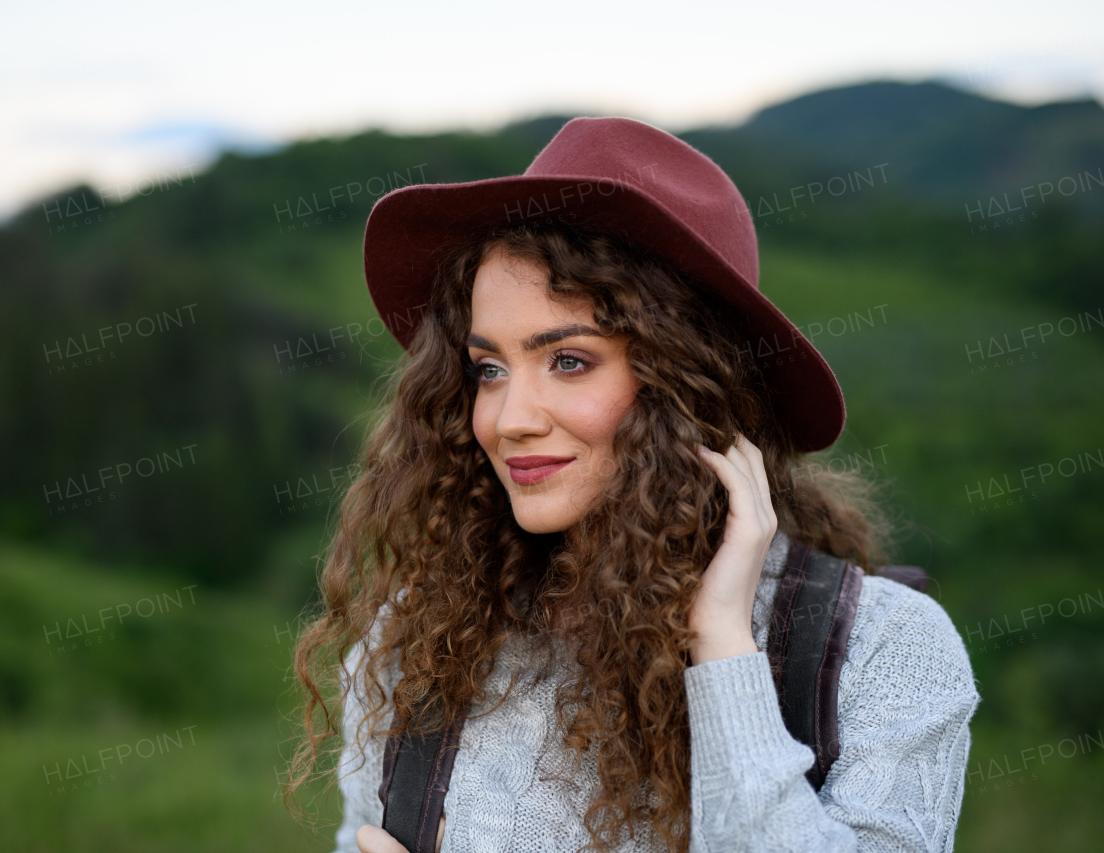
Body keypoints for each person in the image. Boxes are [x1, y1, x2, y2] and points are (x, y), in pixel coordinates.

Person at [286, 117, 980, 853]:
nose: (509, 419)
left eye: (569, 361)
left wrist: (722, 645)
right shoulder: (415, 644)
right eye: (488, 369)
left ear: (689, 382)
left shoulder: (881, 648)